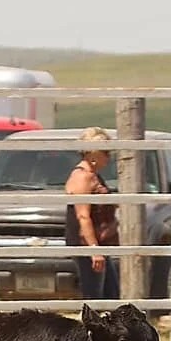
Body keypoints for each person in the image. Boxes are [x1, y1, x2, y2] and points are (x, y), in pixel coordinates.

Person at [65, 126, 120, 299]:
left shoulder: (93, 175)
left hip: (98, 244)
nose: (109, 157)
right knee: (95, 296)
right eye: (106, 152)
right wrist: (93, 249)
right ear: (94, 153)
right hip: (87, 245)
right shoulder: (83, 177)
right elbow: (83, 215)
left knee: (110, 294)